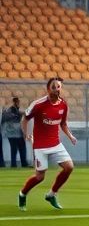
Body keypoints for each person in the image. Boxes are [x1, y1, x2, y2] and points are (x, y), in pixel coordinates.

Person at [17, 78, 76, 211]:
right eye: (54, 87)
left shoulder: (63, 105)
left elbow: (63, 124)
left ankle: (52, 194)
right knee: (40, 177)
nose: (57, 89)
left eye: (59, 87)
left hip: (55, 144)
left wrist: (70, 136)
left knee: (69, 167)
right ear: (48, 89)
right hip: (40, 145)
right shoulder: (38, 104)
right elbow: (24, 119)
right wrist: (26, 133)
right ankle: (22, 193)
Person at [3, 94, 28, 168]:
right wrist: (22, 114)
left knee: (17, 149)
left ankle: (18, 164)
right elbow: (16, 117)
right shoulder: (11, 110)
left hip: (14, 134)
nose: (19, 104)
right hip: (14, 134)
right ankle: (18, 164)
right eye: (18, 102)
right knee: (18, 149)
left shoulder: (13, 110)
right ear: (15, 102)